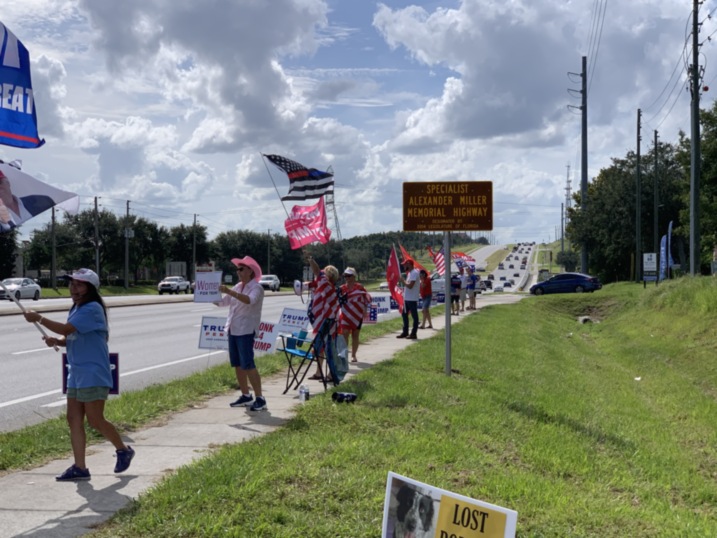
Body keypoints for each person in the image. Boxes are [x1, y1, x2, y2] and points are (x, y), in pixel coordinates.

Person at [23, 268, 135, 481]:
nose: (73, 287)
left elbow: (66, 329)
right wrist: (57, 342)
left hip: (92, 372)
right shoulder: (77, 307)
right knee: (73, 419)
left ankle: (123, 449)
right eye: (71, 283)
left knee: (95, 420)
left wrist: (39, 318)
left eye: (79, 284)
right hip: (76, 372)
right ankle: (80, 467)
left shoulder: (92, 308)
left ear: (90, 289)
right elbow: (72, 336)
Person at [216, 256, 267, 412]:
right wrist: (207, 294)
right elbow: (222, 303)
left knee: (248, 364)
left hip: (245, 330)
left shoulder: (256, 288)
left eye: (241, 268)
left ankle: (260, 398)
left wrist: (229, 291)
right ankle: (245, 395)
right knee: (237, 364)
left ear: (250, 271)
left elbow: (250, 301)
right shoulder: (238, 286)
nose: (238, 272)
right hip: (233, 329)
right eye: (237, 269)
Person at [306, 253, 340, 379]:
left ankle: (331, 373)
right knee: (320, 346)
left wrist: (310, 259)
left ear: (329, 276)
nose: (321, 276)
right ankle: (319, 372)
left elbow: (316, 271)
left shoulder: (326, 285)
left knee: (329, 348)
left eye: (324, 273)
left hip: (328, 322)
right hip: (325, 321)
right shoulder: (326, 286)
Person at [339, 267, 371, 362]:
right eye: (345, 276)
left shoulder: (360, 287)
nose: (347, 278)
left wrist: (365, 309)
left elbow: (366, 298)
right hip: (345, 314)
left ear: (354, 276)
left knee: (355, 334)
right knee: (344, 333)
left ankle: (353, 355)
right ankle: (344, 354)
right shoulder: (342, 288)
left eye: (349, 276)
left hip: (357, 315)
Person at [397, 259, 419, 339]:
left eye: (405, 265)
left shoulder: (414, 273)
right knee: (404, 314)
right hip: (407, 298)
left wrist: (403, 281)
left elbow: (410, 286)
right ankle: (405, 332)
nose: (404, 266)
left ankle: (413, 333)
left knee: (414, 316)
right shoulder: (410, 273)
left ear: (409, 264)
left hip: (412, 299)